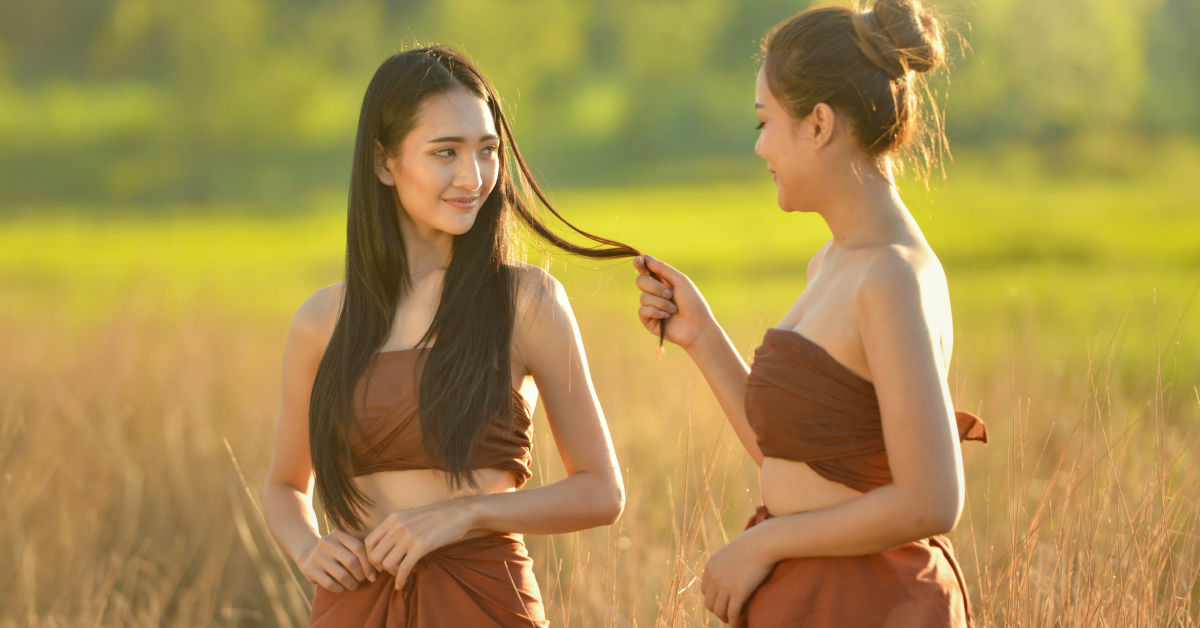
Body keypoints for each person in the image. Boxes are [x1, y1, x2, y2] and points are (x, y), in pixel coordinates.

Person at [633, 1, 986, 625]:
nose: (760, 145)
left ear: (819, 124)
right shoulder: (831, 263)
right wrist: (701, 336)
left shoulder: (891, 276)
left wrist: (764, 542)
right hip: (816, 595)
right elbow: (793, 457)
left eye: (765, 121)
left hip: (875, 602)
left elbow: (933, 501)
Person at [263, 46, 635, 627]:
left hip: (484, 602)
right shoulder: (322, 321)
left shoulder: (525, 301)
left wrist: (464, 514)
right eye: (446, 153)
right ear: (384, 163)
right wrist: (310, 548)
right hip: (354, 606)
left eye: (487, 151)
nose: (474, 177)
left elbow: (602, 492)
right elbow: (286, 485)